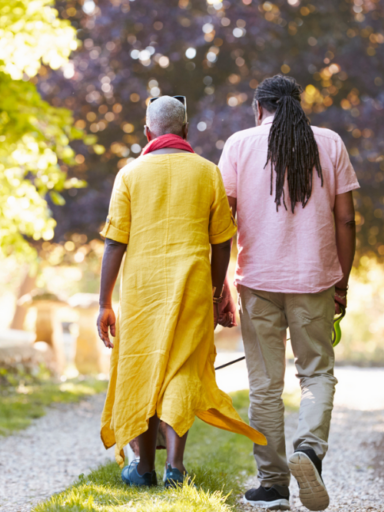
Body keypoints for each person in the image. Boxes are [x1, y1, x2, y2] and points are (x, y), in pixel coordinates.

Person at [96, 95, 266, 488]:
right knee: (182, 369)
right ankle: (174, 467)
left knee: (141, 366)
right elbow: (222, 240)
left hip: (142, 291)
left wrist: (105, 302)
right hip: (191, 285)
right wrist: (214, 288)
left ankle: (143, 469)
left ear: (147, 132)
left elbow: (114, 243)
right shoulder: (208, 173)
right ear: (186, 131)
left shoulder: (130, 174)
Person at [217, 75, 358, 511]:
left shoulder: (239, 144)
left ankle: (273, 484)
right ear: (298, 106)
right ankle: (310, 450)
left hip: (257, 283)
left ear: (259, 109)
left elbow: (222, 224)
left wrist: (218, 283)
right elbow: (347, 221)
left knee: (264, 384)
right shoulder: (330, 142)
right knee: (316, 373)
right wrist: (342, 281)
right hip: (315, 280)